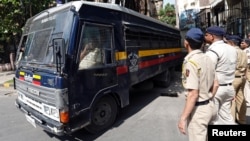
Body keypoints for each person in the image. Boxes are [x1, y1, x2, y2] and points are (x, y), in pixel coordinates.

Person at [178, 28, 218, 141]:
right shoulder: (208, 58)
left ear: (186, 42)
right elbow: (216, 84)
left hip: (199, 112)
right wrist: (209, 97)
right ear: (202, 43)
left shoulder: (191, 62)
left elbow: (193, 94)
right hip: (211, 106)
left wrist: (183, 118)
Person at [204, 26, 237, 125]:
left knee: (213, 119)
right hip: (229, 87)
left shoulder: (213, 51)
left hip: (216, 89)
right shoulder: (232, 49)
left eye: (206, 35)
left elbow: (208, 72)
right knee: (227, 118)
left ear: (212, 36)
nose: (205, 37)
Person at [225, 35, 248, 124]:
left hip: (233, 78)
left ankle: (232, 121)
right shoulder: (243, 52)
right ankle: (242, 120)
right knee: (241, 99)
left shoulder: (231, 52)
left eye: (227, 42)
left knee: (231, 101)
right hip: (242, 77)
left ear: (231, 42)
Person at [240, 39, 250, 107]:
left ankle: (248, 101)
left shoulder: (245, 51)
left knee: (247, 85)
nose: (241, 44)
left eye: (243, 43)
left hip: (247, 68)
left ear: (247, 44)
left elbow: (247, 62)